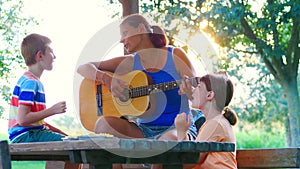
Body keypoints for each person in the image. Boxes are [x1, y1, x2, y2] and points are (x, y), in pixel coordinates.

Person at [77, 13, 198, 141]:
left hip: (177, 129)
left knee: (169, 139)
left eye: (125, 33)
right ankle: (137, 160)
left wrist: (190, 92)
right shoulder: (130, 63)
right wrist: (107, 79)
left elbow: (198, 92)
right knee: (102, 124)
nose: (121, 40)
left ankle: (138, 158)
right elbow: (83, 68)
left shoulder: (175, 55)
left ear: (141, 29)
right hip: (143, 131)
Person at [8, 33, 80, 169]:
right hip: (27, 136)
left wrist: (62, 134)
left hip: (29, 133)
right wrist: (52, 110)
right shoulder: (31, 82)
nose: (55, 56)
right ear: (40, 55)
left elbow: (34, 121)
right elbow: (23, 119)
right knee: (74, 148)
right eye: (51, 52)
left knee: (71, 142)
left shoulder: (30, 80)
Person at [174, 72, 238, 169]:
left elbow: (190, 161)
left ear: (210, 95)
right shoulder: (214, 122)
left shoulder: (215, 124)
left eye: (199, 87)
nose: (193, 90)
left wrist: (181, 132)